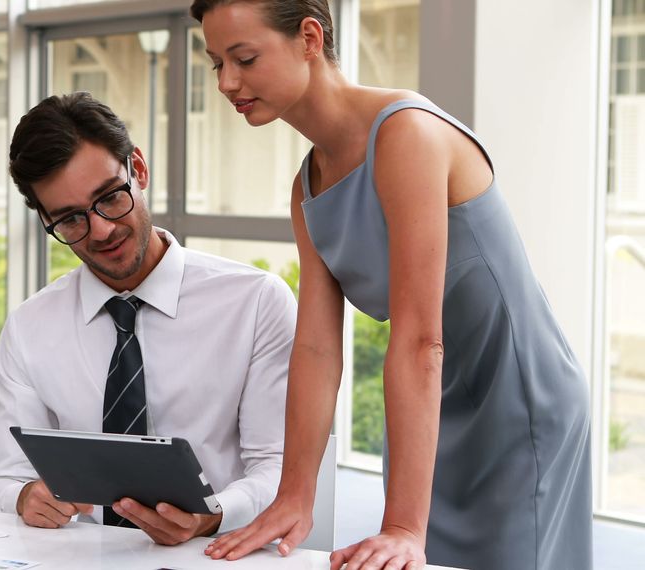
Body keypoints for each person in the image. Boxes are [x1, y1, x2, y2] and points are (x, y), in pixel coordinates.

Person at [190, 1, 593, 569]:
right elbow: (316, 348)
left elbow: (420, 339)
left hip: (515, 404)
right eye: (216, 64)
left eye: (245, 58)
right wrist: (294, 496)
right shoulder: (307, 186)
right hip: (429, 409)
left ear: (310, 37)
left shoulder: (407, 135)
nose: (228, 82)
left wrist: (403, 524)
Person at [0, 92, 298, 545]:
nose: (102, 230)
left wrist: (213, 514)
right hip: (90, 555)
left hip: (216, 552)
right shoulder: (30, 327)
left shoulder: (255, 302)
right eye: (70, 219)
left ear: (139, 170)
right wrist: (24, 496)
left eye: (110, 197)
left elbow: (278, 466)